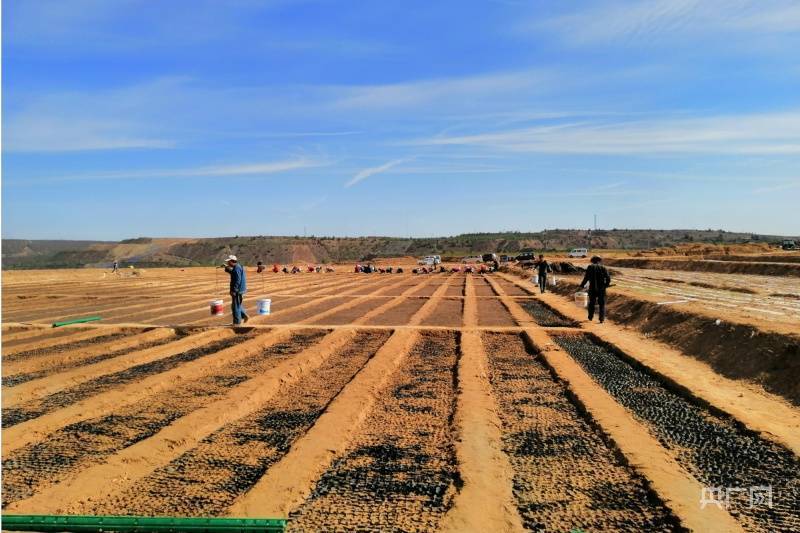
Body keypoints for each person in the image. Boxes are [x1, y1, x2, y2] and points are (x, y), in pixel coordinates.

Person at [579, 256, 611, 323]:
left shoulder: (590, 267)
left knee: (592, 303)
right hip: (601, 289)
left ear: (592, 261)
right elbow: (608, 278)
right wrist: (606, 285)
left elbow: (586, 278)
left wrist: (582, 285)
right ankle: (601, 319)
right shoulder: (603, 267)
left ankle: (590, 317)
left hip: (592, 289)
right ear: (599, 261)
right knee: (601, 304)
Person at [222, 255, 249, 325]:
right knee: (237, 304)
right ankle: (244, 315)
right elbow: (234, 274)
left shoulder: (236, 268)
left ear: (231, 261)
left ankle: (237, 323)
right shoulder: (237, 267)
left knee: (235, 306)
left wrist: (234, 290)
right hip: (240, 289)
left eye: (228, 262)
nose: (228, 263)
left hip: (238, 290)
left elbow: (237, 280)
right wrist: (226, 268)